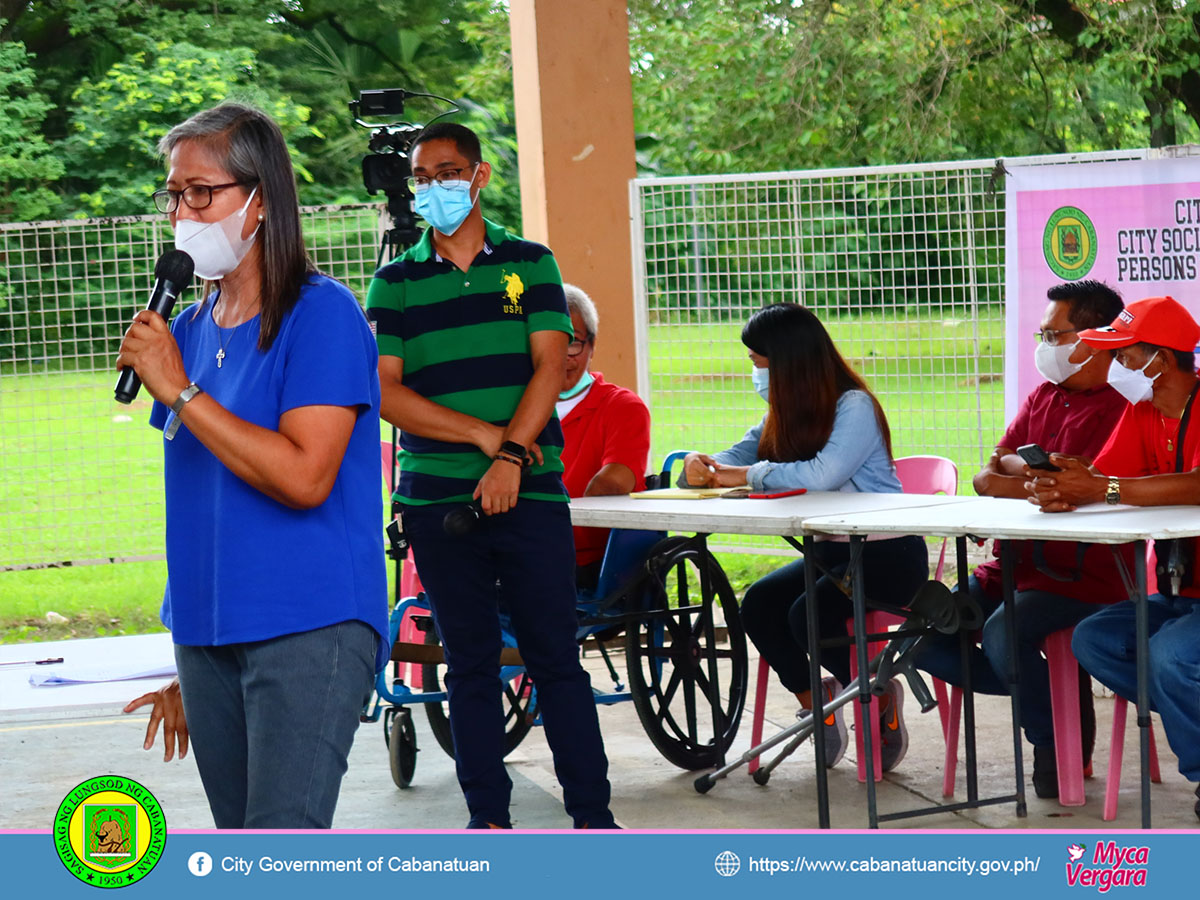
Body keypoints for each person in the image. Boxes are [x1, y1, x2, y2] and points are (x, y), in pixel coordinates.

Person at [117, 103, 389, 828]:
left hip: (309, 623)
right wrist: (190, 648)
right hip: (211, 633)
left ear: (261, 199)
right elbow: (205, 498)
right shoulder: (190, 329)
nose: (182, 211)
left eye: (201, 192)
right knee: (240, 847)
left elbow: (305, 477)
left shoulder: (321, 314)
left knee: (282, 845)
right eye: (173, 194)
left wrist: (178, 388)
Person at [364, 122, 616, 829]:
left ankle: (594, 819)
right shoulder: (394, 281)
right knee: (469, 665)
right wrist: (480, 434)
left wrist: (508, 458)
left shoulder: (531, 263)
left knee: (556, 660)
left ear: (478, 177)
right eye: (421, 175)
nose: (432, 186)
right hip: (436, 499)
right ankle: (489, 825)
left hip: (531, 490)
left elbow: (549, 365)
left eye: (447, 171)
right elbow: (384, 390)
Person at [682, 303, 928, 771]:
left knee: (805, 615)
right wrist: (701, 463)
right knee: (757, 602)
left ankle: (875, 694)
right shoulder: (786, 413)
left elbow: (823, 474)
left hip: (888, 554)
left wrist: (744, 474)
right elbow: (733, 456)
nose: (754, 373)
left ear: (787, 362)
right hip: (833, 556)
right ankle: (821, 705)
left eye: (758, 362)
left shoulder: (852, 405)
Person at [914, 280, 1128, 798]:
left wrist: (1022, 478)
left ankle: (1050, 740)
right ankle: (1057, 708)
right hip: (1013, 563)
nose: (1044, 345)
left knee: (1004, 634)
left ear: (1095, 338)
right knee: (921, 634)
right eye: (1043, 333)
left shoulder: (1125, 404)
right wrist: (1036, 481)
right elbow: (987, 474)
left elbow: (1081, 490)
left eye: (1054, 334)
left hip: (1085, 577)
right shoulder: (1045, 396)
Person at [1028, 295, 1200, 821]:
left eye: (1124, 354)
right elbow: (1103, 480)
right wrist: (1062, 485)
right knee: (1094, 639)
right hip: (1178, 591)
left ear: (1161, 360)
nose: (1117, 366)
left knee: (1170, 656)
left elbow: (1193, 484)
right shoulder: (1141, 411)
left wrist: (1100, 488)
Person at [557, 283, 652, 590]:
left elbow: (612, 483)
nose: (562, 357)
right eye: (550, 343)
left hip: (590, 564)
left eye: (573, 343)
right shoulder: (511, 407)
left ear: (593, 346)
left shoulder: (621, 407)